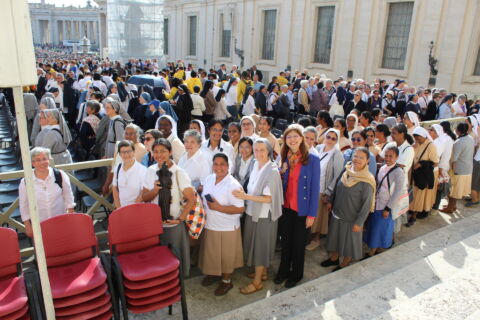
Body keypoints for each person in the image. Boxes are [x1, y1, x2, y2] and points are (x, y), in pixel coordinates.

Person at [232, 139, 283, 294]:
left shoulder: (272, 171)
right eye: (256, 149)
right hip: (253, 212)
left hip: (263, 215)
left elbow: (269, 198)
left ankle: (257, 283)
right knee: (255, 244)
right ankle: (263, 273)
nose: (258, 153)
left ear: (268, 151)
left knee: (261, 247)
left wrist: (245, 197)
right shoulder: (255, 164)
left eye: (262, 150)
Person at [274, 124, 320, 288]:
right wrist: (281, 173)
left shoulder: (312, 159)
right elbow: (281, 184)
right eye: (289, 137)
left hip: (302, 209)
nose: (292, 140)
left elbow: (315, 189)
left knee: (298, 244)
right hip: (286, 208)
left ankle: (296, 274)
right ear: (285, 140)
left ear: (301, 138)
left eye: (295, 136)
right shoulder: (285, 158)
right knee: (285, 242)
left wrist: (312, 214)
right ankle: (284, 270)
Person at [142, 138, 196, 276]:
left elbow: (191, 200)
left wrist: (180, 219)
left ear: (170, 152)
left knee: (175, 260)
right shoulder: (150, 171)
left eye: (163, 151)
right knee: (159, 261)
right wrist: (154, 190)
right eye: (156, 152)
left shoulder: (179, 173)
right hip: (154, 226)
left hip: (173, 227)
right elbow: (145, 197)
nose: (159, 155)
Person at [198, 153, 245, 296]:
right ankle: (214, 274)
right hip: (210, 224)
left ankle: (226, 281)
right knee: (212, 254)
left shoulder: (234, 185)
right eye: (215, 164)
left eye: (222, 164)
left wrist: (218, 208)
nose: (218, 167)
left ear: (228, 166)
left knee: (226, 257)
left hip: (227, 227)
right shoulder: (208, 179)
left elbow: (240, 208)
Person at [321, 147, 375, 270]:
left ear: (367, 161)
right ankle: (334, 259)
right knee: (335, 238)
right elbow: (336, 187)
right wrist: (331, 201)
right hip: (337, 213)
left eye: (361, 157)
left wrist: (359, 222)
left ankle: (345, 262)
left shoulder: (367, 180)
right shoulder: (346, 170)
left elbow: (367, 204)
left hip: (352, 218)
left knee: (349, 243)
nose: (357, 159)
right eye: (355, 156)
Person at [19, 147, 75, 238]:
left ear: (49, 160)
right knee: (45, 250)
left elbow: (69, 197)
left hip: (61, 222)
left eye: (44, 159)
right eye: (37, 160)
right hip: (39, 225)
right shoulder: (25, 182)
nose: (42, 163)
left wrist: (71, 218)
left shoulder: (60, 175)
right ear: (32, 163)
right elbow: (23, 206)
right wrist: (28, 226)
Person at [363, 146, 406, 258]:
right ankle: (377, 247)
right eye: (386, 156)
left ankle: (373, 250)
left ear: (396, 157)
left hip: (386, 206)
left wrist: (388, 208)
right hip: (377, 203)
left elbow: (397, 192)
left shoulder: (399, 172)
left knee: (379, 228)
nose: (387, 158)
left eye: (391, 156)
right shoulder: (382, 168)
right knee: (376, 227)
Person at [307, 129, 344, 250]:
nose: (330, 140)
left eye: (334, 138)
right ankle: (307, 238)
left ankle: (316, 239)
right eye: (328, 137)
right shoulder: (318, 148)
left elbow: (337, 175)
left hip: (323, 189)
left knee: (318, 217)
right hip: (310, 187)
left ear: (337, 140)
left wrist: (328, 192)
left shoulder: (337, 154)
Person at [441, 122, 474, 213]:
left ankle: (450, 208)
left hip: (459, 170)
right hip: (468, 168)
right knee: (457, 190)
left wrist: (453, 171)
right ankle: (453, 206)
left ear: (458, 131)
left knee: (453, 190)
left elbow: (453, 159)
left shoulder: (458, 142)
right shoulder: (470, 138)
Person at [408, 127, 438, 226]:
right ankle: (412, 209)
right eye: (416, 138)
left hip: (423, 175)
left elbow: (435, 162)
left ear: (424, 136)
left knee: (420, 194)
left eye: (419, 138)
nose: (417, 140)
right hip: (413, 174)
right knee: (413, 192)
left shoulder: (431, 146)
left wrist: (422, 164)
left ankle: (415, 213)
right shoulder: (415, 144)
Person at [112, 140, 147, 208]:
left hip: (137, 208)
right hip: (121, 208)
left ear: (134, 152)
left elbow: (143, 192)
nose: (126, 154)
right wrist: (118, 207)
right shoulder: (118, 168)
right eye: (123, 152)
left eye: (129, 151)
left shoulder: (142, 170)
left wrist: (130, 210)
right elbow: (114, 188)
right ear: (119, 154)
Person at [429, 123, 454, 214]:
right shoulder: (442, 139)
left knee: (439, 188)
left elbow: (444, 156)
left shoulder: (442, 141)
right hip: (440, 167)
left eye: (431, 130)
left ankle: (435, 207)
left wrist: (440, 169)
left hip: (441, 167)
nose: (429, 131)